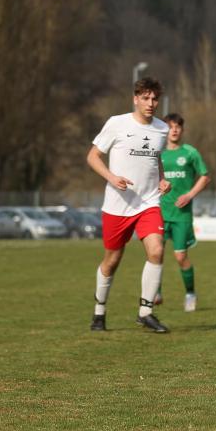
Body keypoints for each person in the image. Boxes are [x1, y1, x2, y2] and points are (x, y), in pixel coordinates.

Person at [86, 77, 171, 333]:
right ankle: (99, 311)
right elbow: (92, 156)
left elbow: (156, 159)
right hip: (118, 205)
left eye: (155, 99)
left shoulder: (162, 129)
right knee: (112, 260)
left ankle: (146, 312)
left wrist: (163, 178)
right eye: (145, 98)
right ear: (135, 99)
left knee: (156, 250)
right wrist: (112, 178)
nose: (151, 103)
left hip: (148, 203)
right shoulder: (117, 123)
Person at [156, 113, 210, 311]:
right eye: (171, 127)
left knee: (180, 257)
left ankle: (190, 294)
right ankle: (155, 292)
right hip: (158, 212)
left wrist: (189, 195)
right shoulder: (157, 153)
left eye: (178, 126)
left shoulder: (189, 152)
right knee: (155, 254)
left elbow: (205, 176)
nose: (174, 130)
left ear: (182, 130)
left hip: (181, 215)